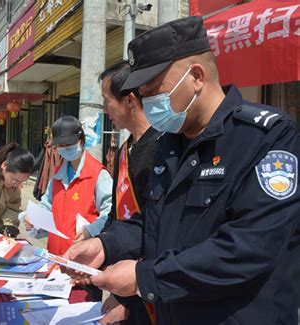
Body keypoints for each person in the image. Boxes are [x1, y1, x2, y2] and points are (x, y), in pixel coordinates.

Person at [64, 16, 300, 324]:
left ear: (197, 77)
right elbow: (153, 222)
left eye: (153, 90)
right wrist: (106, 245)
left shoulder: (267, 137)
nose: (147, 102)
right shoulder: (170, 143)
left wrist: (144, 277)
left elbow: (248, 248)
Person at [99, 62, 160, 325]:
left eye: (107, 100)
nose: (105, 110)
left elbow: (158, 232)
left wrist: (129, 301)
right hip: (122, 280)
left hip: (148, 288)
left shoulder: (162, 149)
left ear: (130, 100)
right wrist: (99, 250)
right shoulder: (125, 151)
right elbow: (116, 214)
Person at [24, 116, 113, 255]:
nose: (64, 149)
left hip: (84, 258)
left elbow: (110, 213)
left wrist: (91, 231)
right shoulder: (58, 175)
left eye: (69, 145)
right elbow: (47, 204)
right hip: (55, 255)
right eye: (60, 146)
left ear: (81, 141)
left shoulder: (98, 174)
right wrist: (33, 219)